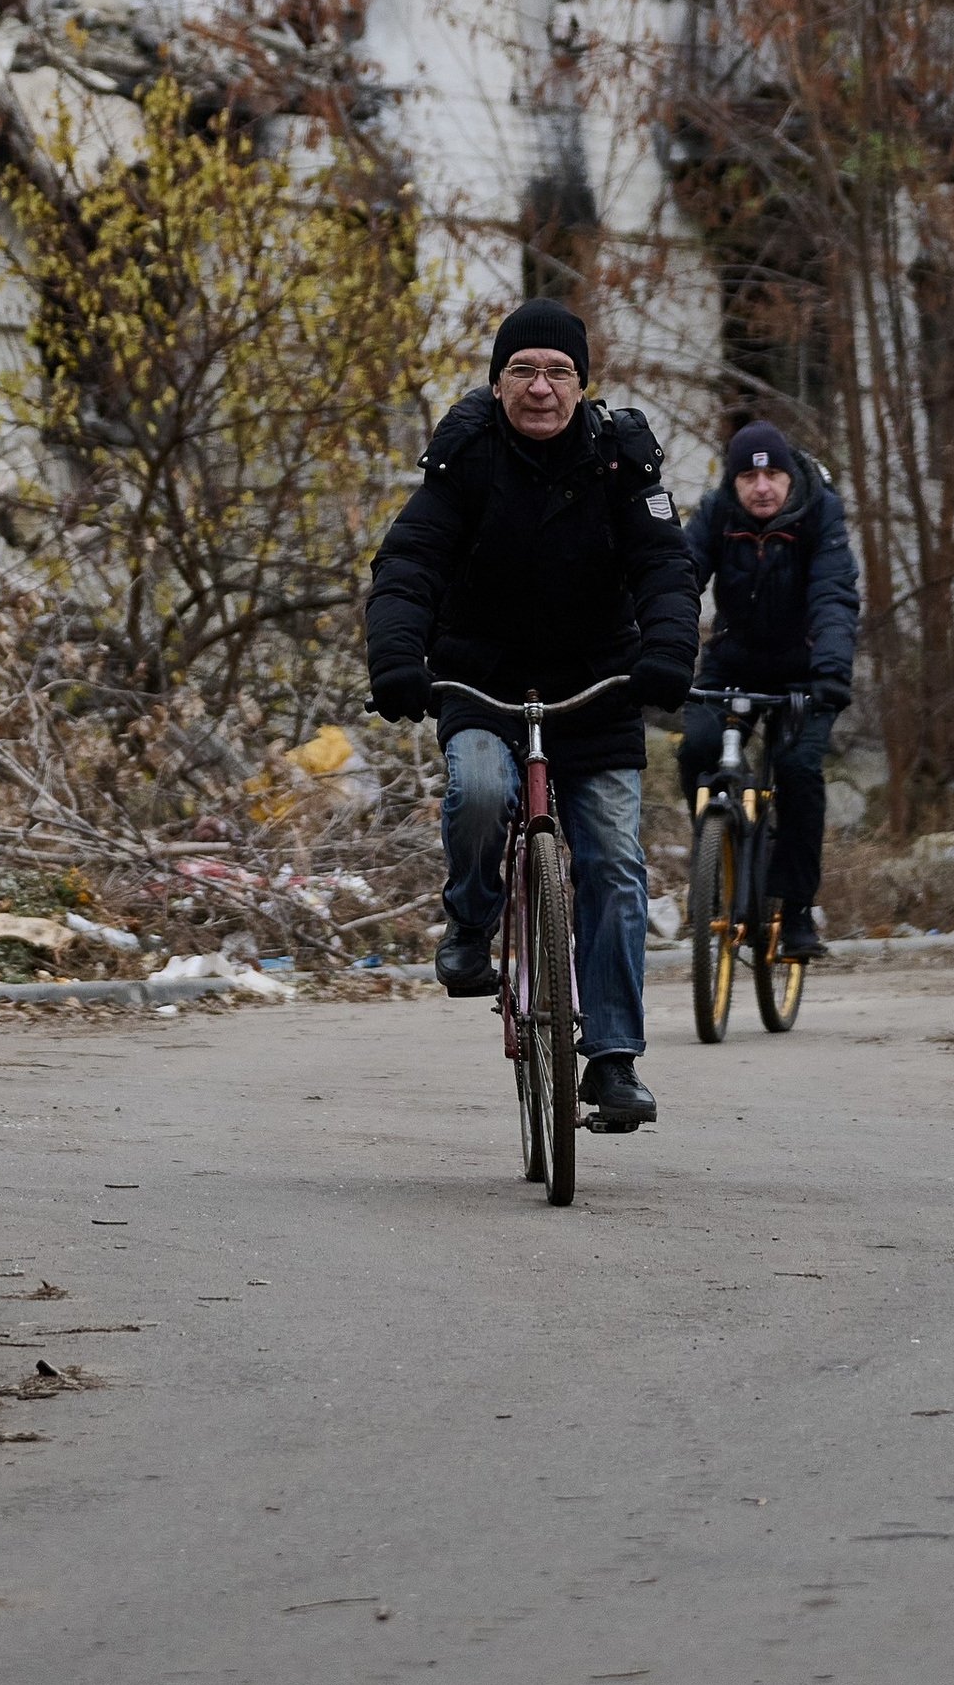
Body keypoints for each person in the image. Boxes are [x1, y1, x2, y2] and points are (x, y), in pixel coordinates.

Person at [364, 301, 698, 1134]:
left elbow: (665, 567)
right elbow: (409, 564)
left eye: (556, 371)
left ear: (583, 385)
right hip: (484, 680)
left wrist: (666, 656)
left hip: (599, 685)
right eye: (522, 370)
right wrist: (399, 662)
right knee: (479, 789)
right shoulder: (465, 457)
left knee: (616, 859)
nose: (540, 388)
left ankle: (614, 1059)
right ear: (497, 381)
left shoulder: (623, 461)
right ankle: (472, 923)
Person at [677, 419, 860, 963]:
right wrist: (655, 652)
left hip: (806, 673)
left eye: (774, 475)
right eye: (750, 478)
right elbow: (679, 577)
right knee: (697, 751)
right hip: (733, 663)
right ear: (733, 483)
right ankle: (719, 852)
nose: (763, 488)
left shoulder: (818, 512)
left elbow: (833, 592)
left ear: (787, 477)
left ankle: (797, 909)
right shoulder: (716, 514)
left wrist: (830, 673)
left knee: (799, 769)